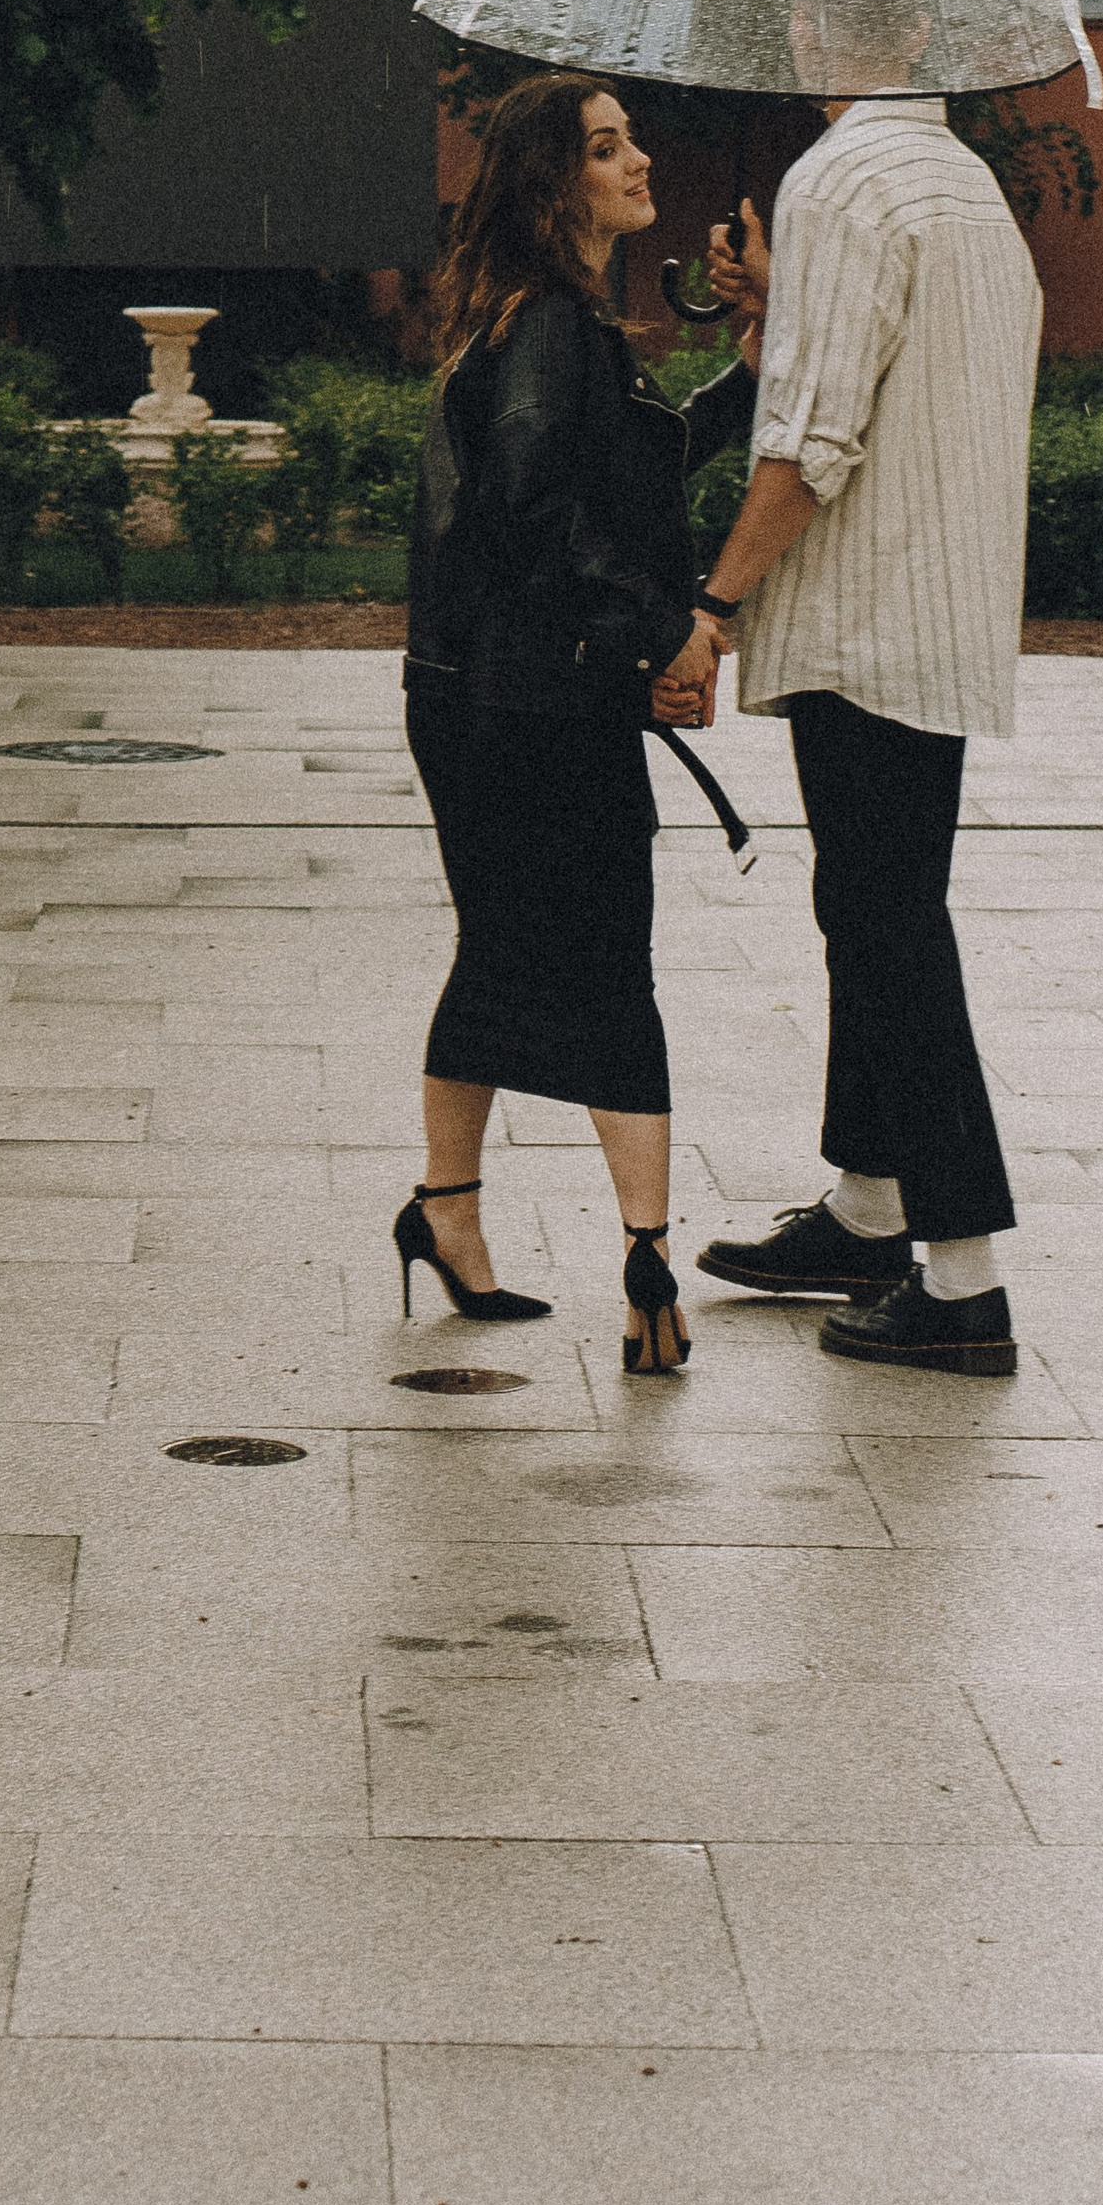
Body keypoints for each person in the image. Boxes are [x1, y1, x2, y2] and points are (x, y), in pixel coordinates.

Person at [664, 61, 1041, 1381]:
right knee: (873, 907)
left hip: (866, 616)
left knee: (887, 923)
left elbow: (810, 440)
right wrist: (774, 307)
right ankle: (868, 1211)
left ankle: (965, 1276)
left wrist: (714, 603)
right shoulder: (963, 186)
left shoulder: (839, 183)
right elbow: (866, 376)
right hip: (940, 614)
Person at [402, 72, 760, 1372]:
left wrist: (747, 375)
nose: (638, 159)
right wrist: (664, 631)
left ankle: (450, 1214)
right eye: (607, 148)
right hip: (518, 702)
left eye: (630, 140)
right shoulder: (551, 323)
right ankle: (646, 1263)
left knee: (508, 952)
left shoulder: (558, 321)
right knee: (605, 959)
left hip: (488, 691)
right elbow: (535, 522)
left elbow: (629, 470)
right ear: (559, 183)